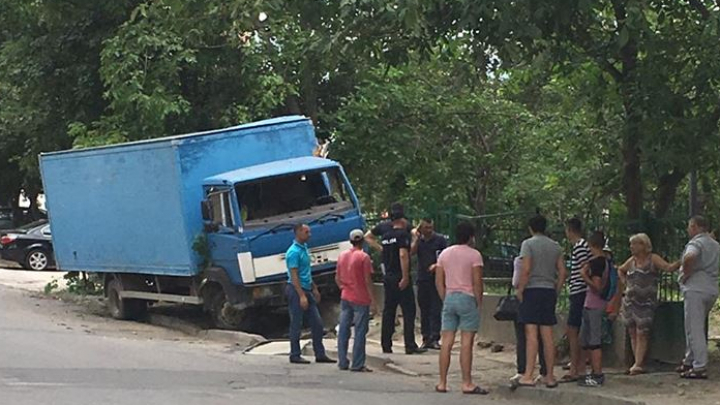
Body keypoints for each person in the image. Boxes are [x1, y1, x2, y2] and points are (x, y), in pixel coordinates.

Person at [613, 233, 680, 375]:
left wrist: (682, 261)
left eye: (635, 244)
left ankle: (638, 363)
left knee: (642, 331)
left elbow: (668, 268)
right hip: (630, 301)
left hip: (646, 302)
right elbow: (620, 269)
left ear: (644, 245)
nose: (632, 247)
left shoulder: (652, 258)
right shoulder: (631, 261)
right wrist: (625, 282)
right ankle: (636, 362)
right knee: (632, 331)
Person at [513, 214, 567, 389]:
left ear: (530, 228)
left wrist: (520, 289)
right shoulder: (555, 246)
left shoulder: (527, 244)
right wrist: (556, 288)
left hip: (532, 290)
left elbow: (526, 268)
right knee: (547, 335)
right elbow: (562, 272)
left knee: (531, 335)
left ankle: (528, 374)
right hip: (548, 291)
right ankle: (549, 375)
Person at [434, 221, 488, 395]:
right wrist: (478, 303)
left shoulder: (444, 254)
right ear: (471, 237)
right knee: (466, 343)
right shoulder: (475, 256)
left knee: (446, 342)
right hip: (467, 298)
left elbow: (438, 281)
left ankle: (442, 382)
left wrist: (445, 297)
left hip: (450, 298)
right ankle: (467, 383)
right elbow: (477, 282)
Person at [285, 223, 336, 365]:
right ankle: (294, 354)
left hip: (306, 288)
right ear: (298, 232)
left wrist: (314, 287)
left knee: (317, 323)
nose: (310, 235)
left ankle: (320, 353)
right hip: (296, 290)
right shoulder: (293, 252)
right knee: (296, 322)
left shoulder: (304, 249)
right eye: (307, 232)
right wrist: (301, 295)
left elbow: (306, 272)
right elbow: (294, 276)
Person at [677, 216, 720, 379]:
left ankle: (699, 366)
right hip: (711, 288)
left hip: (696, 288)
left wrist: (685, 275)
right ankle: (690, 359)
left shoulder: (696, 243)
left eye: (689, 226)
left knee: (694, 329)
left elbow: (690, 257)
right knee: (696, 325)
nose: (688, 230)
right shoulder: (715, 245)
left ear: (695, 226)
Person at [380, 210, 426, 354]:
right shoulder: (402, 235)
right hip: (400, 276)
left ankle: (386, 344)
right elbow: (403, 255)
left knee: (389, 311)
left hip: (388, 277)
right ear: (402, 220)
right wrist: (405, 276)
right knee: (408, 311)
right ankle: (410, 345)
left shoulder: (386, 237)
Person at [335, 229, 376, 372]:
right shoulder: (363, 257)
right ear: (362, 241)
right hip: (361, 298)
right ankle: (357, 363)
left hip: (346, 296)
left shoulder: (342, 256)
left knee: (344, 329)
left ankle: (342, 361)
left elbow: (337, 278)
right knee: (360, 331)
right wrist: (373, 300)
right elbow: (367, 280)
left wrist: (344, 287)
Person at [577, 231, 611, 387]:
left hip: (595, 305)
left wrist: (584, 277)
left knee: (594, 341)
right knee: (586, 339)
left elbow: (597, 286)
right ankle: (589, 372)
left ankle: (598, 374)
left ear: (591, 245)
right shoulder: (604, 261)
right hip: (590, 304)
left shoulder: (597, 263)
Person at [560, 217, 591, 383]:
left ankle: (575, 368)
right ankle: (580, 366)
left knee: (573, 330)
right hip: (582, 291)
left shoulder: (579, 247)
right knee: (578, 330)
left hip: (579, 290)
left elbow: (584, 267)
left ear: (569, 230)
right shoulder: (585, 246)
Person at [411, 218, 447, 350]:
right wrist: (416, 238)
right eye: (426, 228)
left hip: (436, 278)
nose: (429, 230)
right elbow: (411, 253)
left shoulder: (440, 240)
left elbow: (445, 256)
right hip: (422, 278)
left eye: (431, 227)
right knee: (424, 309)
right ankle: (426, 337)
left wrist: (437, 265)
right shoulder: (419, 241)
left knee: (435, 308)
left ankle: (435, 337)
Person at [511, 255, 547, 381]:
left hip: (526, 297)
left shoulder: (520, 260)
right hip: (545, 295)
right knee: (543, 336)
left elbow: (515, 282)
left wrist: (520, 290)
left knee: (523, 336)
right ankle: (545, 371)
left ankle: (523, 370)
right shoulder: (546, 258)